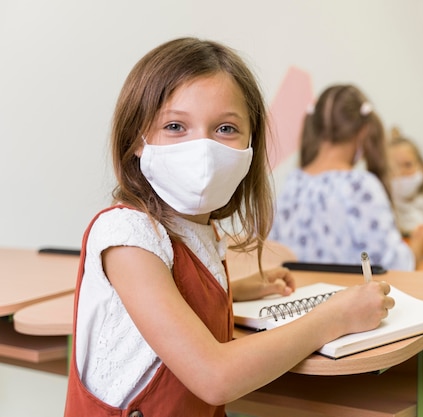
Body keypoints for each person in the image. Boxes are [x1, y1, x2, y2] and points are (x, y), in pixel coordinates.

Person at [64, 38, 394, 417]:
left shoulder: (197, 228)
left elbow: (172, 297)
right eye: (175, 126)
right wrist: (334, 316)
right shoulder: (127, 235)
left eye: (225, 129)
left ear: (250, 145)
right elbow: (213, 376)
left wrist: (234, 290)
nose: (202, 149)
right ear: (137, 138)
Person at [270, 84, 423, 271]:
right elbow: (394, 266)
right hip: (351, 298)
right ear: (364, 130)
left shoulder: (292, 183)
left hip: (303, 297)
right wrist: (418, 247)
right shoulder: (361, 186)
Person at [387, 127, 423, 237]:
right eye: (392, 168)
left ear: (422, 168)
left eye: (407, 165)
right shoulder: (383, 211)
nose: (401, 173)